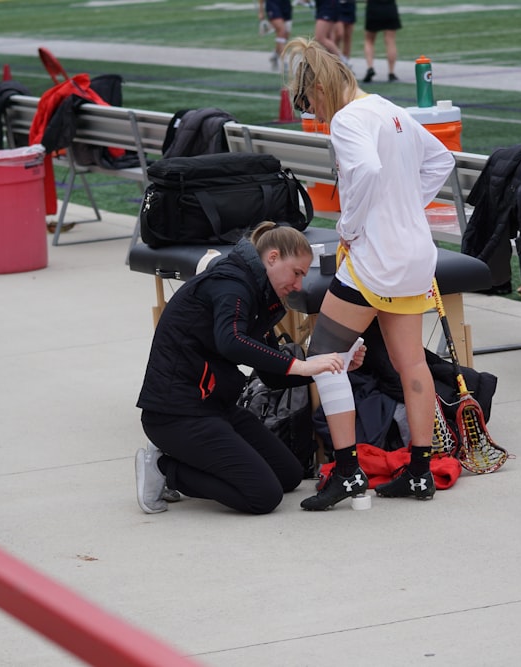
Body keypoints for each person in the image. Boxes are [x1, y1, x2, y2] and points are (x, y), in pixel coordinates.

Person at [283, 37, 455, 511]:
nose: (313, 113)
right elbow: (442, 160)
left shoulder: (347, 119)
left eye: (308, 101)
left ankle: (347, 471)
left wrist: (352, 224)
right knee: (411, 363)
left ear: (319, 86)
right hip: (416, 254)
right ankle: (420, 472)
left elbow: (367, 170)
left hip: (376, 257)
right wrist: (405, 208)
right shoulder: (391, 110)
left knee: (325, 354)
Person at [135, 222, 365, 515]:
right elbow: (231, 341)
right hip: (175, 414)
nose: (298, 286)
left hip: (216, 406)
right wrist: (303, 366)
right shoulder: (231, 284)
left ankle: (187, 461)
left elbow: (270, 374)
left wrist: (330, 367)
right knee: (263, 496)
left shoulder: (259, 295)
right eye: (296, 273)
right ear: (272, 258)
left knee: (289, 475)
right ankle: (164, 468)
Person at [362, 0, 401, 83]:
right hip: (389, 7)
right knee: (390, 41)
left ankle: (370, 67)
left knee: (369, 40)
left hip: (374, 8)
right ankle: (391, 72)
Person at [258, 0, 291, 71]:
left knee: (285, 36)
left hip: (286, 4)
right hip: (272, 4)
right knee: (282, 30)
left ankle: (275, 56)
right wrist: (261, 11)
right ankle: (285, 61)